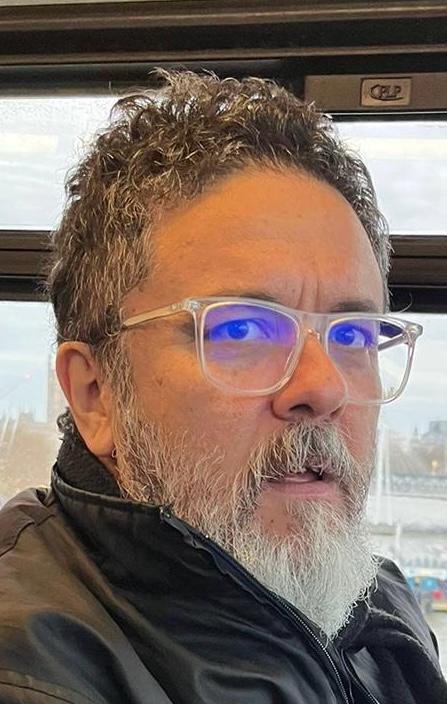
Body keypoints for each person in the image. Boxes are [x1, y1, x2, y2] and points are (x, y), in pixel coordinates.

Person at [0, 69, 445, 704]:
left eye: (354, 336)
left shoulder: (377, 604)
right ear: (96, 394)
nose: (324, 388)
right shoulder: (36, 672)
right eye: (243, 328)